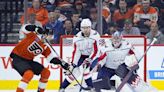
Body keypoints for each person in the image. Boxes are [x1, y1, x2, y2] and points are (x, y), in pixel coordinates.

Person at [10, 25, 72, 92]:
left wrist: (61, 63)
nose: (50, 38)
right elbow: (25, 28)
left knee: (46, 72)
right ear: (44, 34)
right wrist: (35, 28)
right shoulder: (33, 36)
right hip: (17, 58)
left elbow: (51, 59)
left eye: (51, 36)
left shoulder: (45, 46)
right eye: (49, 35)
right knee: (29, 74)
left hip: (28, 61)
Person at [59, 18, 100, 92]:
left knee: (86, 70)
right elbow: (76, 52)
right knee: (74, 72)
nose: (85, 30)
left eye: (87, 27)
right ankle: (62, 88)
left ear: (90, 27)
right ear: (81, 28)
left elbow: (96, 51)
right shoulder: (77, 38)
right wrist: (73, 64)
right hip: (82, 55)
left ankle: (91, 88)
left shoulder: (95, 35)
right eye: (84, 28)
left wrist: (89, 59)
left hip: (94, 56)